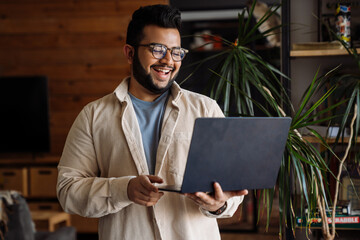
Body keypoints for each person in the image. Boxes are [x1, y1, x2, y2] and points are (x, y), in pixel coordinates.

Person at [56, 4, 248, 240]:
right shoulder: (93, 116)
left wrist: (218, 204)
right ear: (129, 53)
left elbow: (232, 190)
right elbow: (68, 191)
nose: (168, 60)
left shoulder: (205, 109)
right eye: (157, 49)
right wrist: (124, 190)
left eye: (176, 51)